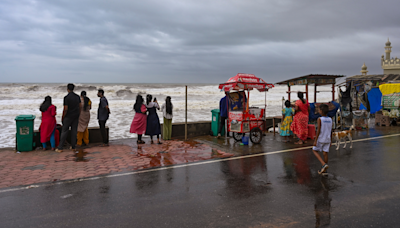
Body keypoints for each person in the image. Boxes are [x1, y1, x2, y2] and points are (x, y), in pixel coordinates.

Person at [56, 84, 81, 152]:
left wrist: (63, 116)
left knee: (64, 131)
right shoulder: (77, 97)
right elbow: (80, 106)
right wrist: (79, 114)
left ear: (67, 89)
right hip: (75, 116)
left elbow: (66, 109)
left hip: (68, 116)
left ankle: (60, 148)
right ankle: (73, 147)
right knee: (74, 131)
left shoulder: (66, 98)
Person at [312, 104, 332, 175]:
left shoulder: (320, 119)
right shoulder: (330, 119)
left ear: (321, 111)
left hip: (321, 138)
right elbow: (331, 130)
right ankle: (324, 170)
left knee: (314, 150)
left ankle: (323, 164)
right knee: (325, 153)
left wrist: (315, 140)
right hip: (328, 138)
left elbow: (318, 130)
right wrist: (331, 140)